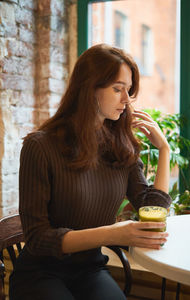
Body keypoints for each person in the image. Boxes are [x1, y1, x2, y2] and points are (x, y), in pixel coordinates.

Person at [9, 44, 171, 300]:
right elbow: (38, 238)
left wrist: (164, 150)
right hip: (40, 273)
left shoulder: (121, 146)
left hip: (89, 270)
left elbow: (151, 208)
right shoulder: (39, 147)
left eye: (128, 90)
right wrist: (112, 233)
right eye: (117, 89)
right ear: (89, 89)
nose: (126, 100)